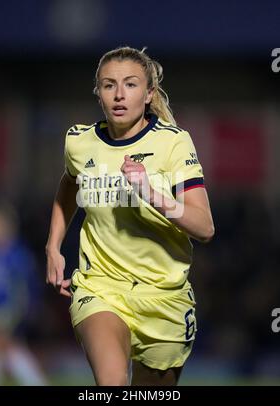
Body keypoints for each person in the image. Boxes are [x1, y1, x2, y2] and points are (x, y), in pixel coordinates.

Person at [46, 46, 214, 386]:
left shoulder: (174, 144)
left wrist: (152, 194)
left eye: (131, 84)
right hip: (101, 288)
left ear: (149, 93)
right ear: (99, 93)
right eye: (109, 85)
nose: (120, 95)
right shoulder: (79, 142)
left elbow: (205, 227)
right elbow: (70, 183)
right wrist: (53, 246)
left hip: (164, 297)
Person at [0, 202, 47, 385]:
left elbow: (24, 292)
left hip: (12, 312)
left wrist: (10, 319)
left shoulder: (18, 255)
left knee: (6, 347)